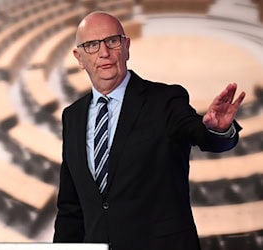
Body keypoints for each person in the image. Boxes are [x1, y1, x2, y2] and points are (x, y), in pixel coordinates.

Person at [53, 11, 246, 250]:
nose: (104, 53)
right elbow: (71, 209)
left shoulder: (165, 100)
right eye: (91, 45)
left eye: (112, 41)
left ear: (126, 47)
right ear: (79, 57)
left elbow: (200, 134)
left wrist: (217, 130)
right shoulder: (72, 116)